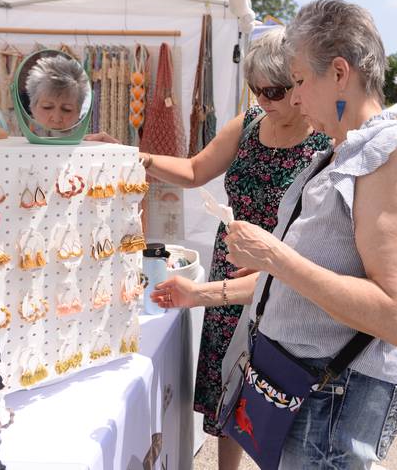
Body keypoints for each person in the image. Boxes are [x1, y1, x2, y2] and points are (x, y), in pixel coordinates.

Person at [152, 0, 397, 468]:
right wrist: (203, 292)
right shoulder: (350, 152)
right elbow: (306, 280)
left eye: (298, 82)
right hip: (311, 391)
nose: (294, 98)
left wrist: (276, 257)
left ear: (339, 73)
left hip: (334, 398)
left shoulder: (393, 155)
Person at [88, 26, 329, 470]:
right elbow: (196, 169)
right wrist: (129, 155)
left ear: (299, 86)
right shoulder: (250, 124)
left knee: (277, 390)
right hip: (230, 264)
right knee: (228, 388)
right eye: (256, 91)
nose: (264, 101)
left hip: (281, 278)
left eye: (274, 91)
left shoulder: (324, 141)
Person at [25, 55, 89, 131]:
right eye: (47, 107)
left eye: (67, 109)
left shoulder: (89, 138)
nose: (56, 118)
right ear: (32, 108)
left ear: (79, 111)